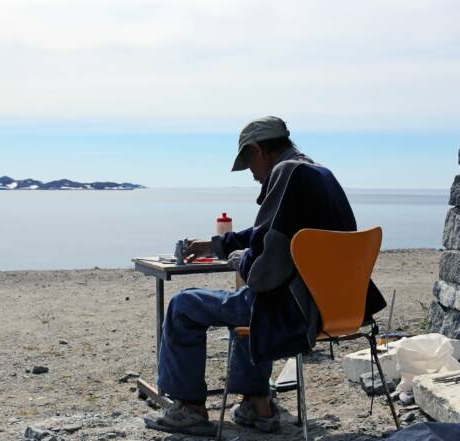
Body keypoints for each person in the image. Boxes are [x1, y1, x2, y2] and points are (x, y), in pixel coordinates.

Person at [144, 116, 387, 436]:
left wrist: (241, 261)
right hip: (339, 308)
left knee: (184, 305)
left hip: (294, 310)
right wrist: (219, 245)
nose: (254, 176)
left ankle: (190, 409)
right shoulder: (321, 174)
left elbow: (265, 270)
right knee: (248, 304)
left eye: (249, 165)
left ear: (259, 150)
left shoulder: (286, 173)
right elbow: (272, 232)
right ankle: (258, 406)